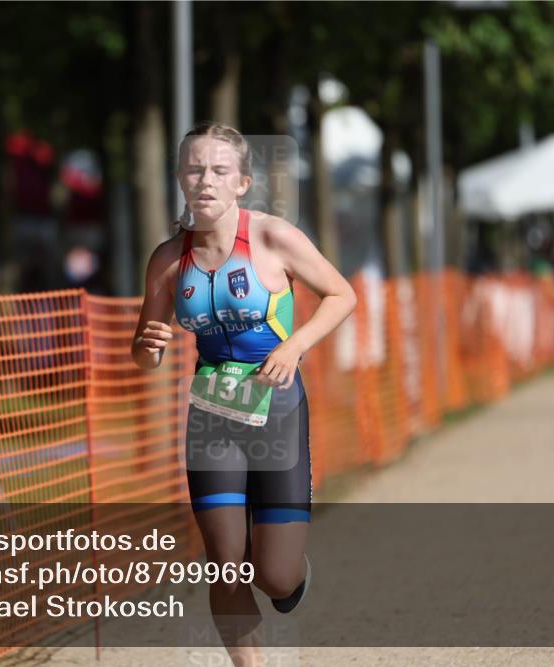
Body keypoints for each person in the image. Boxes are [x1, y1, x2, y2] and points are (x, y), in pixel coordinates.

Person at [131, 122, 356, 666]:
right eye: (194, 169)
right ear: (181, 180)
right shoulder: (167, 259)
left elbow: (340, 294)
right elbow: (145, 351)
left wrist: (294, 347)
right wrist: (148, 343)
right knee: (223, 563)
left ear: (241, 183)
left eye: (219, 170)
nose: (204, 180)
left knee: (273, 576)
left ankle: (288, 570)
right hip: (212, 412)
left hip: (277, 408)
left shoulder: (273, 237)